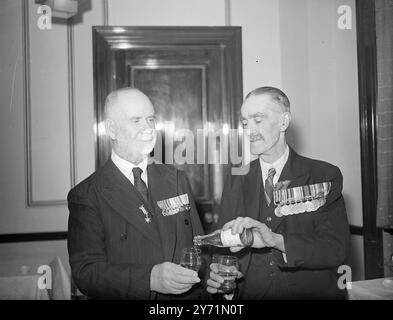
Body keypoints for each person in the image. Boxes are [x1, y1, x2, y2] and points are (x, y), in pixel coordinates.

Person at [206, 86, 351, 299]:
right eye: (245, 122)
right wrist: (222, 275)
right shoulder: (236, 178)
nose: (249, 130)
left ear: (283, 121)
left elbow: (335, 248)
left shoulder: (323, 175)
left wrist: (275, 240)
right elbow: (225, 246)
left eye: (258, 119)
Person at [67, 87, 207, 299]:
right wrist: (149, 278)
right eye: (136, 121)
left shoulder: (177, 179)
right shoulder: (87, 195)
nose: (147, 128)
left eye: (150, 120)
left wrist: (212, 277)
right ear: (112, 129)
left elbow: (199, 245)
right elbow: (86, 273)